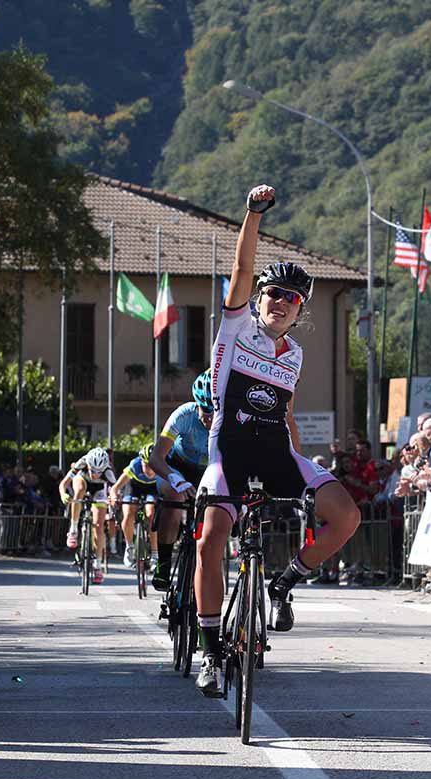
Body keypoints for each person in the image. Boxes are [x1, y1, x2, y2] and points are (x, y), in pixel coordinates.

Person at [193, 184, 360, 698]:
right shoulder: (236, 329)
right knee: (211, 537)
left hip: (277, 453)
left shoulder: (295, 355)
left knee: (347, 517)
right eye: (275, 294)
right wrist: (252, 216)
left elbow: (285, 413)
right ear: (259, 299)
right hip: (230, 451)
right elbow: (243, 270)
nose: (282, 303)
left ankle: (285, 579)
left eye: (293, 300)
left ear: (299, 309)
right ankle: (210, 648)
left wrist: (303, 462)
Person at [147, 370, 214, 590]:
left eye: (215, 414)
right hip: (176, 466)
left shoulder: (229, 419)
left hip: (208, 471)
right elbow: (157, 457)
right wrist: (174, 478)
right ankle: (164, 563)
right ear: (197, 405)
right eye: (205, 413)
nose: (210, 420)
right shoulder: (183, 415)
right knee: (173, 500)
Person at [61, 447, 117, 584]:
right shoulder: (82, 462)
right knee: (79, 490)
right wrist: (63, 494)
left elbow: (114, 490)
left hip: (99, 491)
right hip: (82, 482)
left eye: (99, 472)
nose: (95, 474)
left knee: (98, 526)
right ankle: (73, 530)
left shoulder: (108, 472)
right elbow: (64, 483)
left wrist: (112, 499)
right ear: (88, 465)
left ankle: (97, 565)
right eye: (92, 470)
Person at [109, 444, 158, 568]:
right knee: (128, 514)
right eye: (146, 465)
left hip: (152, 489)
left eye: (152, 466)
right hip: (134, 488)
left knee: (151, 514)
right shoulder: (134, 466)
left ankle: (154, 553)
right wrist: (114, 497)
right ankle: (129, 546)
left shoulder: (163, 466)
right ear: (141, 462)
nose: (150, 470)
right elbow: (115, 488)